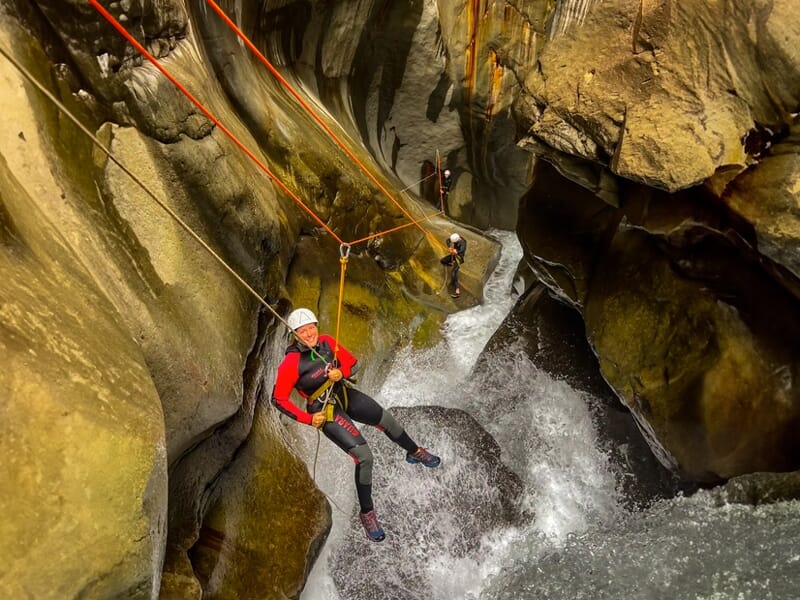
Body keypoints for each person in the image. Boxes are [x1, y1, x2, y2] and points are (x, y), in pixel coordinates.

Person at [271, 308, 441, 542]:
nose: (309, 333)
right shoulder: (291, 364)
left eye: (311, 328)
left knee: (387, 420)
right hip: (324, 409)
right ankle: (367, 514)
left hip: (344, 393)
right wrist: (308, 419)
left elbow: (354, 364)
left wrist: (341, 372)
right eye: (303, 331)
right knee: (364, 456)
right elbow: (278, 399)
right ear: (295, 335)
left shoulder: (327, 343)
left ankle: (415, 452)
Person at [439, 232, 466, 298]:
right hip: (453, 255)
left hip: (459, 258)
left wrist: (456, 251)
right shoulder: (455, 238)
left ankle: (457, 291)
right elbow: (447, 240)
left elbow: (462, 250)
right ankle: (451, 264)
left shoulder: (463, 243)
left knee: (453, 273)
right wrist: (449, 248)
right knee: (442, 261)